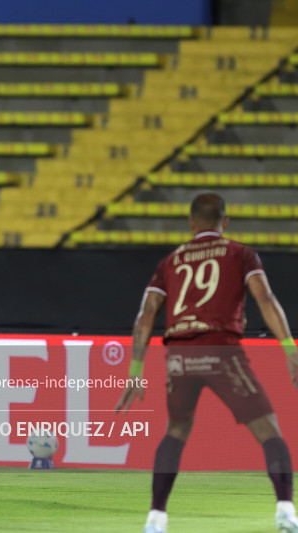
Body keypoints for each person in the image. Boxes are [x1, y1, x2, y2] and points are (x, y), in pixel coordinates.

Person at [116, 193, 298, 533]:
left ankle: (156, 518)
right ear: (225, 222)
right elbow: (265, 298)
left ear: (191, 223)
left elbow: (145, 316)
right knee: (268, 428)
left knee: (176, 430)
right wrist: (289, 347)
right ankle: (286, 511)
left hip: (179, 357)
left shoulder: (170, 261)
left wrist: (135, 372)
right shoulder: (241, 254)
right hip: (221, 351)